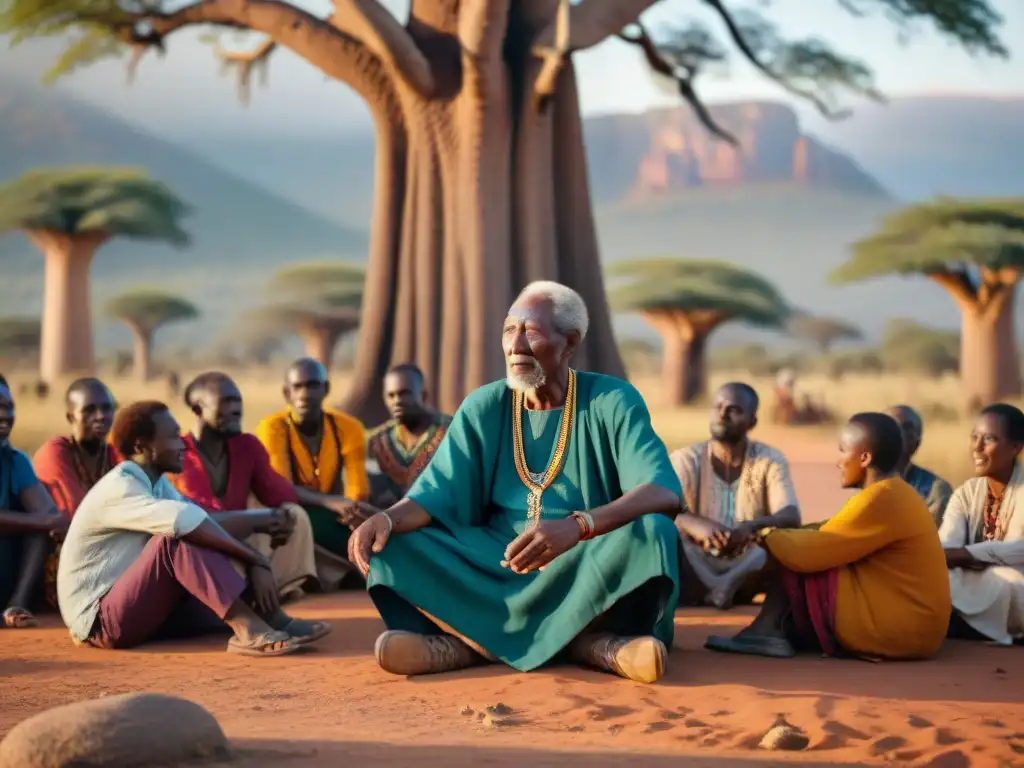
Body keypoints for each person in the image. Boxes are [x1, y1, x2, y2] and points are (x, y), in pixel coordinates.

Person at [349, 281, 682, 684]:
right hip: (495, 562)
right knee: (394, 542)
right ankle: (592, 648)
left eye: (532, 331)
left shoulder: (611, 400)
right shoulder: (485, 405)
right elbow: (435, 493)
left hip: (584, 560)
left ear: (569, 343)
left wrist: (578, 527)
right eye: (509, 330)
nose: (516, 346)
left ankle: (471, 649)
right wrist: (386, 519)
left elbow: (663, 491)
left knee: (654, 533)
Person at [57, 401, 330, 654]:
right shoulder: (121, 486)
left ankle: (271, 617)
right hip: (100, 622)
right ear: (141, 447)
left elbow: (203, 521)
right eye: (174, 437)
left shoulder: (157, 484)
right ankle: (248, 629)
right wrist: (255, 558)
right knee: (175, 540)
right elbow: (186, 523)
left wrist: (258, 530)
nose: (183, 446)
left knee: (203, 538)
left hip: (139, 607)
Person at [705, 412, 950, 660]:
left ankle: (766, 630)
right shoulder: (894, 492)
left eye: (843, 450)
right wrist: (765, 533)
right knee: (793, 542)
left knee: (797, 553)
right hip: (917, 626)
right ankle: (778, 628)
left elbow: (811, 551)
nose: (838, 461)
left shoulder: (881, 497)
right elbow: (830, 529)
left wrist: (764, 536)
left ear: (864, 457)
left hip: (905, 630)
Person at [168, 372, 317, 599]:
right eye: (227, 402)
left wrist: (331, 502)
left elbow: (279, 491)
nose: (237, 409)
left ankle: (280, 588)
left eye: (238, 401)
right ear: (198, 410)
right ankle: (243, 594)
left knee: (293, 515)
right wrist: (259, 528)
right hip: (204, 545)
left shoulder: (247, 445)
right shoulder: (180, 454)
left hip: (239, 536)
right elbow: (202, 520)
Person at [671, 382, 800, 609]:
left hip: (747, 560)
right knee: (663, 533)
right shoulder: (686, 459)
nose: (722, 415)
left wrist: (749, 527)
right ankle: (721, 589)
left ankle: (719, 588)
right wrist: (697, 525)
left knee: (781, 543)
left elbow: (790, 515)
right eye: (717, 407)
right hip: (696, 557)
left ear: (752, 422)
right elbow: (663, 505)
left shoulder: (769, 459)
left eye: (734, 410)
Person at [256, 358, 371, 584]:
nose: (305, 393)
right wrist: (330, 502)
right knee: (294, 520)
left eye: (312, 385)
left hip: (335, 514)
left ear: (325, 389)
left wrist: (353, 511)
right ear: (287, 393)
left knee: (370, 522)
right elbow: (282, 490)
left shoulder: (348, 427)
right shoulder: (273, 427)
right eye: (297, 387)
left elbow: (358, 487)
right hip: (290, 511)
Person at [939, 403, 1024, 645]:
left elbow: (1018, 550)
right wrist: (956, 557)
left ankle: (963, 623)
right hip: (974, 578)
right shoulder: (966, 493)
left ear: (1015, 447)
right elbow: (946, 546)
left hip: (1012, 577)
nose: (977, 448)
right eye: (974, 438)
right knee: (940, 575)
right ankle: (971, 625)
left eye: (989, 439)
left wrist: (965, 555)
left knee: (1011, 581)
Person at [0, 375, 66, 628]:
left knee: (39, 533)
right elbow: (44, 517)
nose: (5, 415)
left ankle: (16, 605)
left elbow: (50, 515)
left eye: (9, 406)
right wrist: (41, 520)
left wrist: (46, 521)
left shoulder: (15, 460)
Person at [366, 364, 453, 508]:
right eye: (391, 395)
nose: (397, 401)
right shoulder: (377, 442)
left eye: (404, 393)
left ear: (423, 395)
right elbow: (376, 494)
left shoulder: (452, 432)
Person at [33, 378, 120, 519]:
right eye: (89, 410)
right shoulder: (55, 453)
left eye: (107, 408)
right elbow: (74, 512)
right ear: (71, 417)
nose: (101, 416)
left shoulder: (114, 455)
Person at [888, 404, 953, 527]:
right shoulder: (857, 481)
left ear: (917, 442)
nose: (898, 434)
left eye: (906, 428)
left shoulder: (935, 490)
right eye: (890, 426)